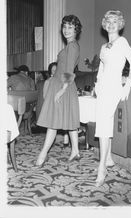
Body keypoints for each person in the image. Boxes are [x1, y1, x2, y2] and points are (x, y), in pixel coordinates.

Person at [94, 10, 131, 187]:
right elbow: (101, 68)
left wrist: (128, 84)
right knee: (104, 121)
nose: (111, 24)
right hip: (103, 87)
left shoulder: (122, 42)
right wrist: (97, 83)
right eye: (109, 21)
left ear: (119, 24)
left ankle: (101, 168)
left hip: (114, 87)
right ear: (105, 24)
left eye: (115, 21)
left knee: (103, 123)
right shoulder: (104, 47)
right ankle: (109, 159)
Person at [35, 14, 82, 166]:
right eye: (64, 27)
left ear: (76, 30)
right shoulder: (70, 46)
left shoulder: (73, 46)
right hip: (61, 84)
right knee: (69, 121)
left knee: (53, 123)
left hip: (64, 85)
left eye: (70, 27)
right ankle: (75, 150)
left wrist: (62, 89)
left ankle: (42, 155)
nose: (66, 30)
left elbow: (69, 70)